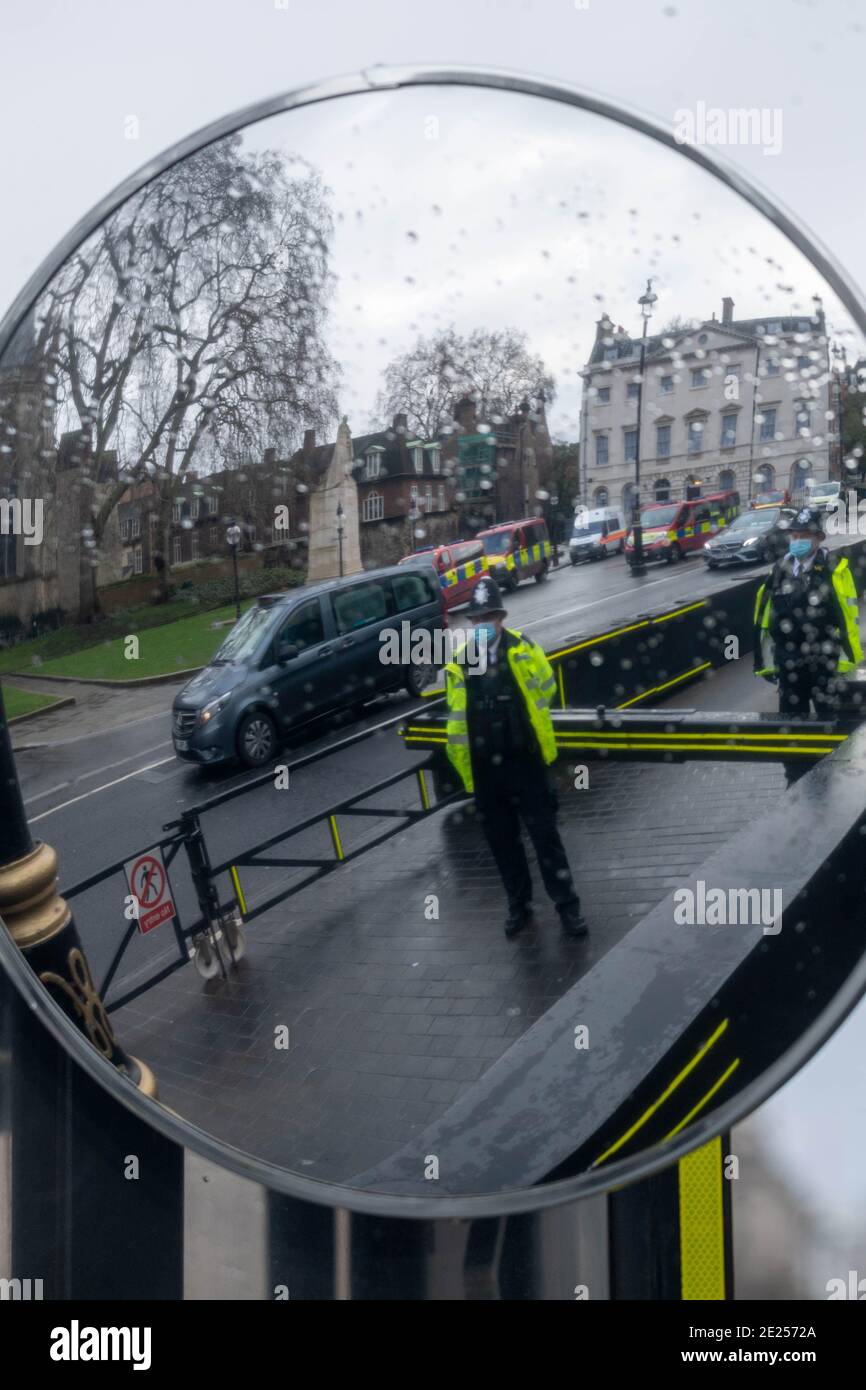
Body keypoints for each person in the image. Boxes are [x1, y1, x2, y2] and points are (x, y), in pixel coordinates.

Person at [444, 574, 588, 939]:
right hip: (485, 767)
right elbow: (457, 715)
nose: (482, 626)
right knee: (503, 842)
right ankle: (518, 906)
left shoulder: (523, 649)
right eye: (476, 620)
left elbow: (545, 689)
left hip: (524, 759)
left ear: (501, 618)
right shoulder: (462, 662)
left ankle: (567, 908)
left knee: (545, 838)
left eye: (488, 618)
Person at [753, 504, 862, 729]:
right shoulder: (779, 570)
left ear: (819, 538)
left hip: (824, 663)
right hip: (788, 664)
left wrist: (848, 660)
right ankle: (795, 765)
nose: (798, 540)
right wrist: (764, 662)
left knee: (831, 724)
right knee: (792, 728)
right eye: (795, 535)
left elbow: (847, 617)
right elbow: (764, 619)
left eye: (804, 536)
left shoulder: (835, 570)